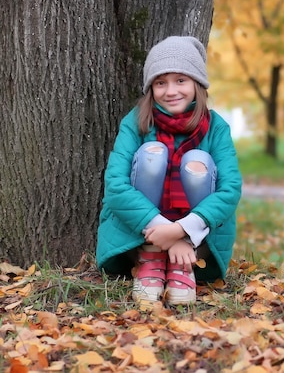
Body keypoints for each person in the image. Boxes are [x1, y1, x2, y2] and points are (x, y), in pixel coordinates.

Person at [96, 36, 242, 305]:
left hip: (198, 240)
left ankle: (182, 261)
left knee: (196, 160)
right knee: (153, 154)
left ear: (197, 84)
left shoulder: (216, 127)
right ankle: (151, 255)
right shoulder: (136, 122)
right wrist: (165, 233)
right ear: (151, 88)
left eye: (180, 80)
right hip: (140, 234)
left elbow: (230, 189)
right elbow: (115, 186)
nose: (171, 90)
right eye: (161, 82)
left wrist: (183, 232)